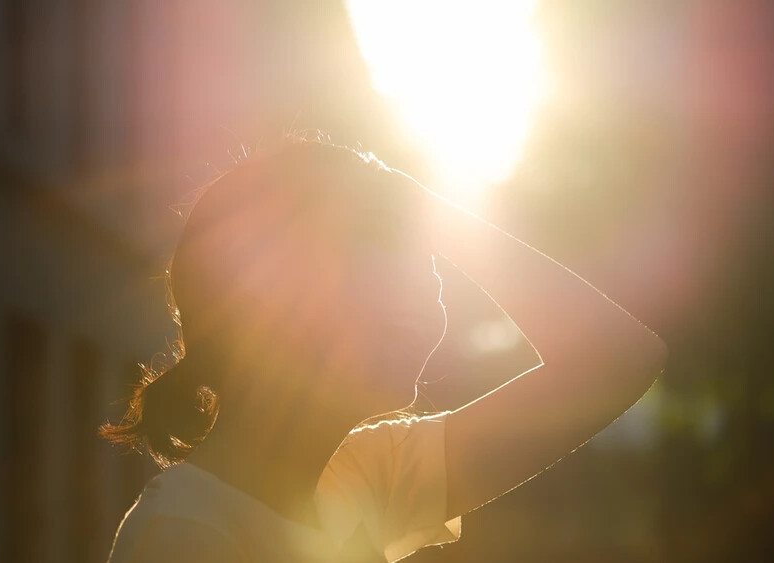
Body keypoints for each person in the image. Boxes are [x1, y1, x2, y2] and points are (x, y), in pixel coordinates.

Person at [102, 139, 667, 562]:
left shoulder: (360, 474)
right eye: (377, 240)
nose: (429, 284)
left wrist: (426, 205)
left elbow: (619, 360)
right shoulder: (184, 535)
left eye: (421, 253)